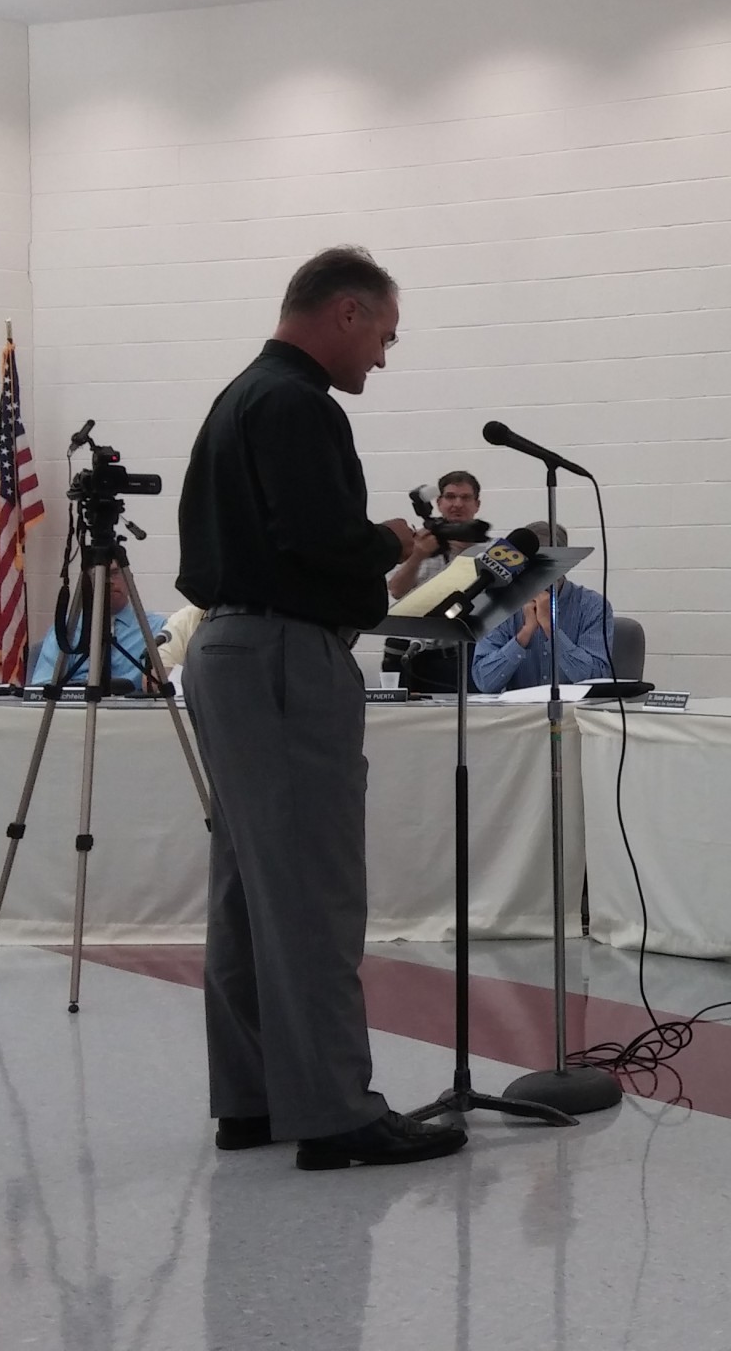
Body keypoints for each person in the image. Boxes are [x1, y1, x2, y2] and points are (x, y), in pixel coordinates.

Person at [176, 245, 467, 1170]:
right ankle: (337, 1112)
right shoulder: (300, 405)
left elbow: (220, 549)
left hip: (226, 648)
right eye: (383, 334)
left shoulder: (236, 401)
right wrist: (384, 539)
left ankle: (255, 1099)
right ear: (345, 313)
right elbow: (313, 542)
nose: (383, 356)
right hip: (283, 658)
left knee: (249, 890)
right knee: (312, 893)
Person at [469, 521, 614, 692]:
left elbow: (596, 678)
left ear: (563, 565)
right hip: (519, 713)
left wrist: (551, 631)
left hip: (573, 714)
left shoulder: (593, 606)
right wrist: (524, 634)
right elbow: (484, 682)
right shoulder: (501, 604)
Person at [27, 575, 156, 694]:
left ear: (129, 580)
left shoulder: (156, 628)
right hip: (74, 709)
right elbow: (43, 687)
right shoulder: (67, 627)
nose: (109, 581)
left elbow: (163, 689)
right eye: (101, 575)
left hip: (132, 712)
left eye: (115, 573)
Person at [386, 469, 484, 599]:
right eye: (450, 497)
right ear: (439, 503)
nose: (458, 504)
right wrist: (417, 556)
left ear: (477, 505)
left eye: (465, 498)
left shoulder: (490, 549)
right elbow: (396, 591)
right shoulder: (417, 540)